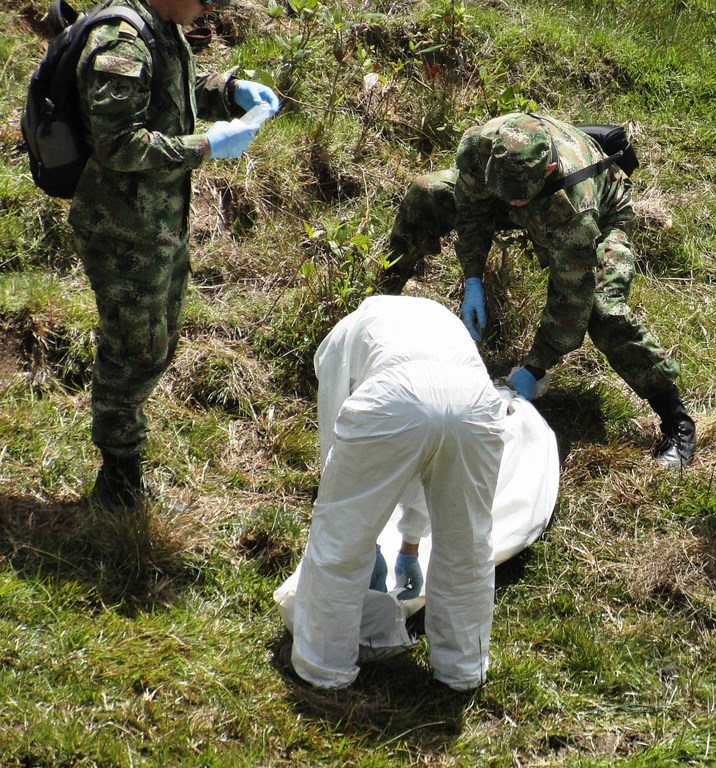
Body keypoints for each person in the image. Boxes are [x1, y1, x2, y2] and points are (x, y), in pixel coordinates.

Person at [382, 112, 696, 469]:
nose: (513, 204)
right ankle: (380, 305)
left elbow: (571, 298)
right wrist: (473, 278)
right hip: (522, 193)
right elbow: (473, 209)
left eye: (518, 199)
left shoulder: (573, 206)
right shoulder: (480, 147)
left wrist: (535, 368)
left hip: (604, 215)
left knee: (603, 310)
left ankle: (676, 420)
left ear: (546, 171)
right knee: (427, 193)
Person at [67, 0, 279, 510]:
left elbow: (168, 93)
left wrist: (225, 91)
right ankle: (117, 481)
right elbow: (117, 144)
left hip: (160, 225)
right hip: (123, 232)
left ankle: (124, 464)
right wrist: (204, 146)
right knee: (132, 351)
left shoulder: (164, 26)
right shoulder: (122, 43)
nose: (210, 9)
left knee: (157, 343)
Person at [287, 295, 506, 691]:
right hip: (477, 402)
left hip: (397, 391)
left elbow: (336, 442)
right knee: (468, 544)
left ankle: (324, 668)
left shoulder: (341, 338)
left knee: (340, 540)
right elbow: (434, 451)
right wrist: (410, 543)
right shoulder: (432, 319)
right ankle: (462, 670)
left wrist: (362, 536)